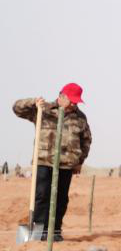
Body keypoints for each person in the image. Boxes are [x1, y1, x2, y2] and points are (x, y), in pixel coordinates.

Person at [12, 83, 92, 241]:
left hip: (66, 164)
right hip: (44, 161)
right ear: (61, 96)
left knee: (61, 199)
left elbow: (86, 140)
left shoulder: (80, 117)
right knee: (42, 196)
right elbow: (17, 108)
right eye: (71, 101)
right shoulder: (44, 109)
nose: (74, 104)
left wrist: (79, 161)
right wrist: (33, 102)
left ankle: (55, 232)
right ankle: (39, 233)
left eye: (76, 102)